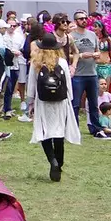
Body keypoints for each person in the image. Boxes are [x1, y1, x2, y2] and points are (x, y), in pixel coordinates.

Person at [26, 30, 81, 182]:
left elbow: (31, 85)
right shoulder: (62, 62)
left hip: (43, 101)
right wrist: (69, 100)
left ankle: (53, 161)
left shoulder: (36, 63)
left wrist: (30, 103)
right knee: (58, 131)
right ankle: (59, 162)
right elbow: (68, 85)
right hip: (60, 101)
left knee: (44, 131)